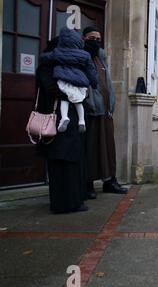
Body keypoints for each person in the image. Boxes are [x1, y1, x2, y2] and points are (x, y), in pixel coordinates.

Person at [36, 38, 88, 214]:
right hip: (56, 123)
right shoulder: (46, 67)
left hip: (70, 124)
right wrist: (75, 93)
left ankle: (74, 201)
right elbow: (52, 89)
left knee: (72, 165)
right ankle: (63, 204)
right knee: (60, 166)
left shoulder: (65, 66)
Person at [82, 26, 128, 200]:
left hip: (106, 113)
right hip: (91, 113)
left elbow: (107, 84)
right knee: (91, 150)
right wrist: (92, 104)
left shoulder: (102, 59)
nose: (96, 42)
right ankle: (88, 185)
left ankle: (110, 182)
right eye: (92, 38)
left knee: (108, 150)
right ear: (84, 38)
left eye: (98, 39)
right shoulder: (81, 58)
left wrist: (111, 105)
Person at [40, 27, 98, 133]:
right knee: (78, 102)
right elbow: (93, 78)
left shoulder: (56, 55)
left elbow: (45, 58)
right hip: (79, 88)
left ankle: (65, 117)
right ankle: (82, 121)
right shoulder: (84, 55)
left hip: (57, 109)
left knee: (65, 100)